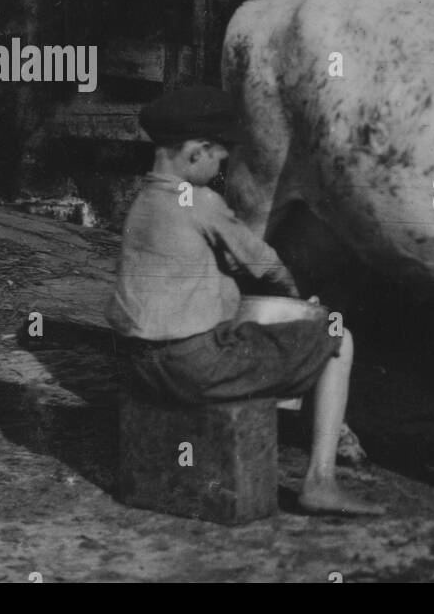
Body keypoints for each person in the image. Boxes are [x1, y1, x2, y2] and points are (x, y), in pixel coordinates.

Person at [106, 85, 383, 516]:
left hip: (135, 364)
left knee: (250, 336)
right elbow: (267, 265)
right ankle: (320, 480)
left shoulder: (142, 202)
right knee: (335, 336)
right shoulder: (199, 199)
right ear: (196, 152)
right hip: (190, 366)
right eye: (219, 156)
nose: (223, 166)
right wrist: (303, 303)